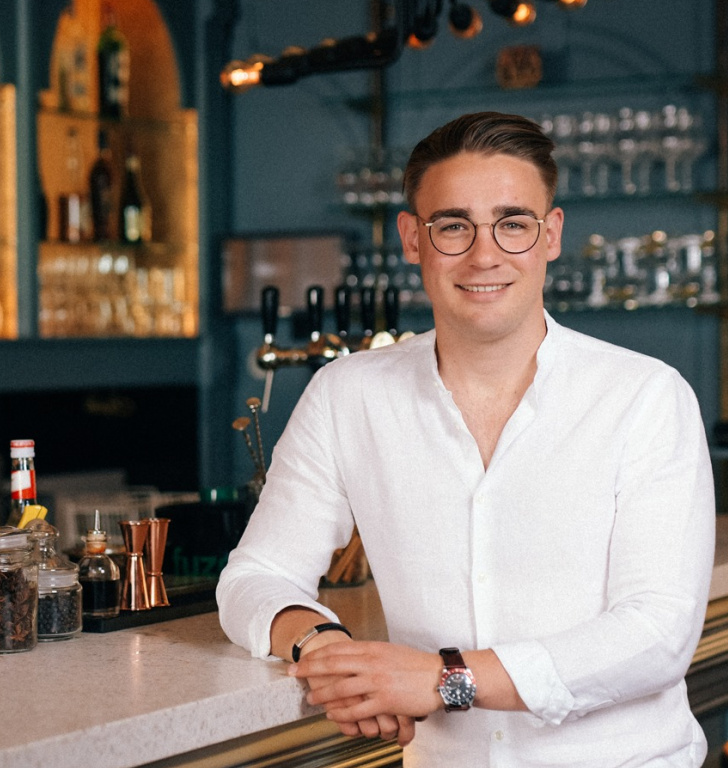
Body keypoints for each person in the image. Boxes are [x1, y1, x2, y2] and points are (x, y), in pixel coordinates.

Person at [216, 111, 716, 767]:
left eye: (513, 223)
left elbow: (657, 635)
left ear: (551, 235)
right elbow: (257, 576)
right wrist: (325, 648)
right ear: (412, 239)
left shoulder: (645, 397)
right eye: (454, 226)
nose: (485, 255)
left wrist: (443, 678)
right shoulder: (349, 395)